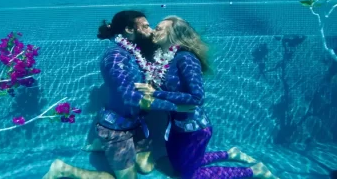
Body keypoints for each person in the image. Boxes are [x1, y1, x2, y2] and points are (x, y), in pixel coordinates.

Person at [43, 11, 194, 179]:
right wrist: (175, 106)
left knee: (146, 167)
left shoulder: (135, 53)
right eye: (145, 26)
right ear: (129, 29)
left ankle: (106, 147)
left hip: (135, 124)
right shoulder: (115, 58)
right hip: (116, 129)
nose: (150, 30)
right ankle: (64, 169)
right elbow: (130, 97)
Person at [135, 16, 279, 179]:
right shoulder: (166, 59)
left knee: (190, 176)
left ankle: (255, 171)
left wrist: (155, 93)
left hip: (195, 129)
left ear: (173, 34)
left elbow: (197, 97)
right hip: (176, 125)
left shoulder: (186, 58)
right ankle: (230, 153)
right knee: (177, 167)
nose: (154, 31)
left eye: (159, 28)